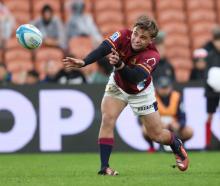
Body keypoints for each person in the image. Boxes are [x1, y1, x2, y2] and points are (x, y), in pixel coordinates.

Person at [63, 15, 189, 175]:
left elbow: (135, 77)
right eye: (136, 33)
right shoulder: (123, 35)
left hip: (141, 92)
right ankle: (104, 167)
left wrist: (119, 64)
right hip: (117, 84)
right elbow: (104, 47)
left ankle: (176, 144)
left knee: (156, 135)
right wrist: (84, 61)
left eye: (143, 37)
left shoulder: (152, 56)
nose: (136, 39)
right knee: (107, 119)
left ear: (151, 40)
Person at [140, 76, 193, 152]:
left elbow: (183, 116)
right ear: (157, 88)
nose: (164, 90)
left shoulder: (177, 96)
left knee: (189, 131)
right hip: (158, 125)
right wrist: (157, 124)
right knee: (145, 129)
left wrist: (179, 125)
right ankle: (152, 147)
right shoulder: (151, 97)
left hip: (173, 125)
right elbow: (143, 117)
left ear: (170, 87)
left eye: (166, 87)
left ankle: (180, 145)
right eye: (162, 88)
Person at [204, 30, 220, 149]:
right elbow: (206, 75)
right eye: (217, 41)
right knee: (210, 116)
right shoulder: (209, 56)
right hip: (212, 92)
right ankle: (208, 143)